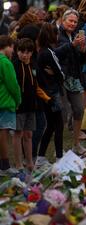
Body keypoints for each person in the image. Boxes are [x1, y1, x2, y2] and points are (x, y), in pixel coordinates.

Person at [35, 23, 82, 166]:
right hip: (53, 93)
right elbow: (60, 73)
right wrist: (57, 74)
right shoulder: (49, 52)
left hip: (44, 93)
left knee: (50, 125)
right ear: (51, 35)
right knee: (58, 125)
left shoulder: (41, 51)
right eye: (56, 33)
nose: (57, 36)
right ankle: (59, 158)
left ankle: (41, 157)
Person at [12, 38, 51, 172]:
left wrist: (46, 98)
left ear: (32, 52)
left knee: (28, 134)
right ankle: (18, 164)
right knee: (18, 134)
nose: (24, 55)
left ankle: (29, 162)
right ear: (17, 51)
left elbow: (36, 86)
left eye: (28, 52)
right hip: (18, 107)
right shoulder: (14, 65)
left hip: (31, 106)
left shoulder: (34, 66)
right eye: (22, 51)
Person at [58, 9, 86, 154]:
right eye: (70, 21)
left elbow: (82, 61)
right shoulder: (57, 35)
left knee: (79, 110)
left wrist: (83, 51)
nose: (73, 24)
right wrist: (73, 45)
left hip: (74, 78)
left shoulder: (76, 36)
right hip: (61, 78)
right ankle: (59, 149)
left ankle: (76, 144)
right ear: (63, 21)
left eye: (75, 22)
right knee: (62, 114)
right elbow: (56, 54)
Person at [0, 35, 21, 175]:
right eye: (12, 47)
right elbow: (13, 84)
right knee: (4, 132)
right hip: (5, 102)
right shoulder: (6, 63)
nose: (13, 50)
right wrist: (18, 99)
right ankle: (5, 165)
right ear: (6, 46)